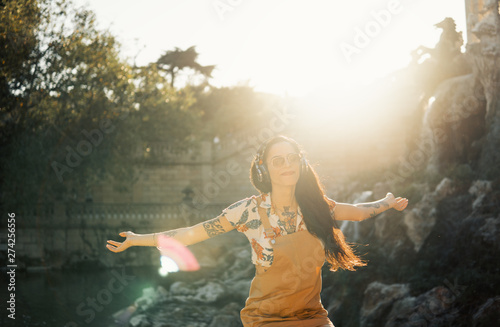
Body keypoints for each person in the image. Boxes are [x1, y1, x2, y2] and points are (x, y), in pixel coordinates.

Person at [106, 135, 409, 326]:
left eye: (293, 159)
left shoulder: (317, 207)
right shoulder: (248, 211)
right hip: (266, 320)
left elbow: (355, 212)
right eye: (278, 160)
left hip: (312, 317)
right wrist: (138, 240)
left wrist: (385, 202)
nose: (287, 165)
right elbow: (189, 234)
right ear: (265, 169)